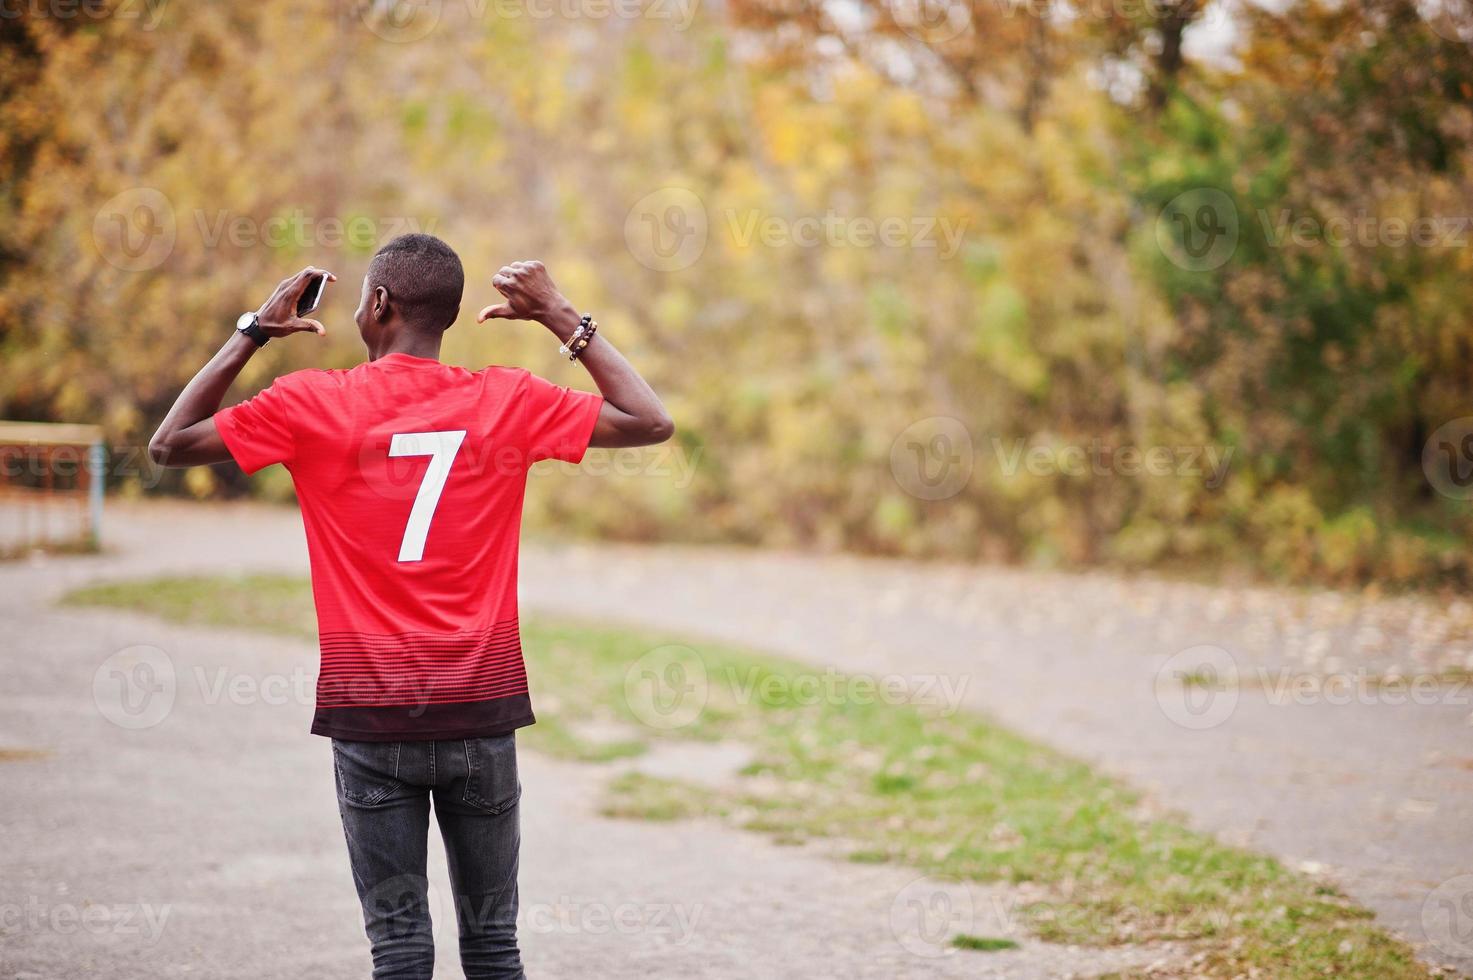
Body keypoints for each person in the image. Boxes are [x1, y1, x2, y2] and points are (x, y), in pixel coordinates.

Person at [148, 233, 674, 979]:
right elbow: (651, 421)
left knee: (398, 951)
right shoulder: (506, 399)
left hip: (370, 718)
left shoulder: (311, 403)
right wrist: (562, 317)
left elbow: (169, 447)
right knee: (494, 949)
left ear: (380, 305)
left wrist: (252, 333)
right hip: (481, 713)